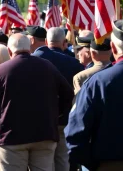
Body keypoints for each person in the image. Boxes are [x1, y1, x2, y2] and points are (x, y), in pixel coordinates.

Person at [0, 34, 74, 171]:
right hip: (43, 134)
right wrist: (56, 115)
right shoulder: (47, 66)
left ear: (9, 51)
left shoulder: (1, 71)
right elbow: (68, 94)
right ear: (30, 48)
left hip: (11, 138)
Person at [65, 20, 123, 171]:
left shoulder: (98, 82)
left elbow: (75, 134)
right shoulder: (97, 82)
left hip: (109, 164)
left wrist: (93, 164)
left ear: (113, 48)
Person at [32, 27, 83, 171]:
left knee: (42, 161)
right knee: (62, 159)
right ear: (64, 42)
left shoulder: (34, 60)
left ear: (47, 41)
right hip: (64, 119)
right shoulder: (73, 63)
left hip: (41, 120)